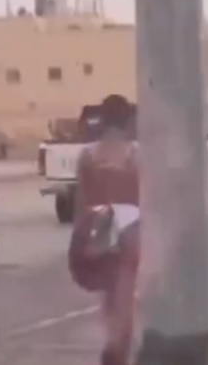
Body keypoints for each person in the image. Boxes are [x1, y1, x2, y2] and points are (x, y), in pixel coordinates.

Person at [68, 94, 140, 365]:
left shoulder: (87, 155)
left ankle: (113, 347)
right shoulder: (136, 154)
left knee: (109, 295)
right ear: (127, 121)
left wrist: (80, 236)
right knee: (125, 295)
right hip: (130, 232)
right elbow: (147, 197)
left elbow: (82, 200)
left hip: (98, 229)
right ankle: (118, 350)